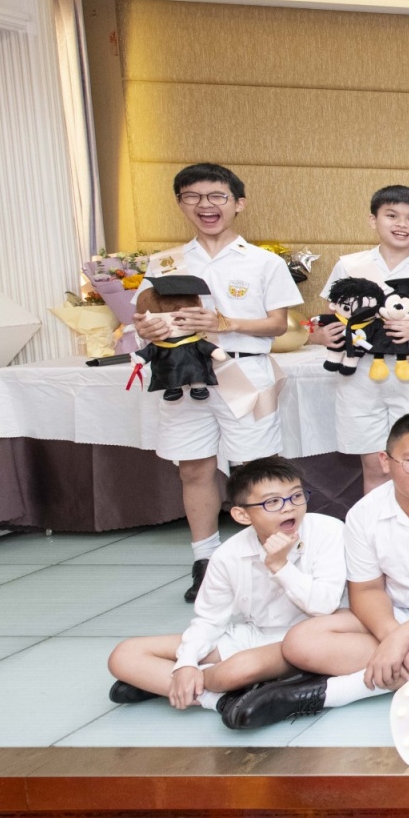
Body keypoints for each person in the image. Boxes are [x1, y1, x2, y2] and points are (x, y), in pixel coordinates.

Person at [227, 412, 409, 727]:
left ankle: (325, 694)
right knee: (301, 641)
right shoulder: (364, 513)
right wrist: (391, 635)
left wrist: (402, 639)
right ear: (385, 461)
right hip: (398, 611)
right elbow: (366, 590)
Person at [135, 163, 303, 602]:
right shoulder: (164, 262)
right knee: (194, 468)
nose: (205, 206)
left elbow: (277, 325)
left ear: (238, 203)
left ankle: (271, 556)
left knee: (255, 470)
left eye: (216, 197)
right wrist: (146, 329)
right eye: (192, 196)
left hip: (243, 373)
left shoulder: (264, 261)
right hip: (183, 375)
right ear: (180, 203)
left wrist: (225, 322)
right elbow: (144, 318)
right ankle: (205, 560)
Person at [106, 457, 344, 724]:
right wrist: (186, 663)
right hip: (252, 635)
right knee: (124, 655)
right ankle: (218, 699)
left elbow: (323, 606)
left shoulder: (328, 531)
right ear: (242, 515)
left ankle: (168, 684)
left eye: (296, 496)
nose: (289, 508)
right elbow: (209, 619)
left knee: (237, 670)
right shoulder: (228, 554)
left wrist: (280, 566)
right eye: (273, 502)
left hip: (308, 639)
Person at [310, 185, 409, 494]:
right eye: (391, 216)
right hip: (359, 377)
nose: (401, 224)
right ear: (373, 220)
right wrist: (321, 336)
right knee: (374, 466)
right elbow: (329, 318)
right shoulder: (349, 265)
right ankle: (379, 525)